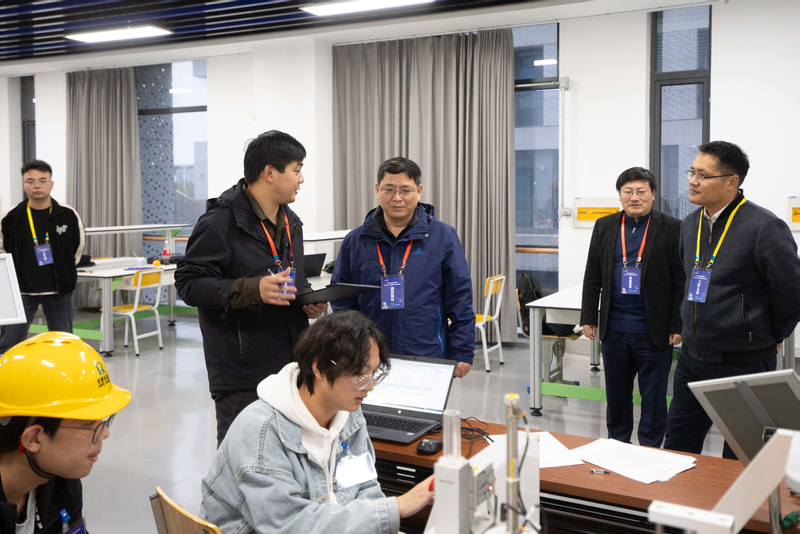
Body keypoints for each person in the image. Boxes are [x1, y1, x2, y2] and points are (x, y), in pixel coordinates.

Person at [200, 310, 435, 534]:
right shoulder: (261, 430)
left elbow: (365, 488)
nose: (370, 386)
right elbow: (290, 525)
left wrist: (380, 519)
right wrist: (395, 509)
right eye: (360, 375)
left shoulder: (350, 417)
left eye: (374, 374)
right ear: (319, 367)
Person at [175, 130, 328, 447]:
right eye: (297, 170)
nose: (301, 179)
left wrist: (306, 299)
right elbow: (189, 284)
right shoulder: (219, 223)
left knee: (289, 456)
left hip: (291, 365)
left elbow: (291, 277)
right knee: (243, 457)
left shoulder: (291, 222)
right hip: (242, 373)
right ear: (270, 173)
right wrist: (253, 289)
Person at [663, 141, 800, 458]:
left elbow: (791, 291)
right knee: (677, 450)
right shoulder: (690, 224)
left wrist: (772, 334)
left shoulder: (763, 227)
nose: (692, 181)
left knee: (742, 455)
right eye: (691, 172)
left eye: (703, 175)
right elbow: (687, 279)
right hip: (692, 359)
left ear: (731, 181)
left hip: (744, 362)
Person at [331, 157, 475, 378]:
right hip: (369, 357)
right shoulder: (355, 241)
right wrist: (352, 347)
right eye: (389, 189)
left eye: (405, 190)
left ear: (419, 191)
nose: (397, 197)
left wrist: (462, 350)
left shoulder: (443, 237)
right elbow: (342, 301)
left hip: (427, 352)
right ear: (377, 190)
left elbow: (460, 298)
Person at [580, 167, 684, 448]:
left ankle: (650, 449)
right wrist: (589, 315)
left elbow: (680, 281)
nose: (634, 197)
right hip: (614, 329)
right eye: (628, 191)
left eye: (641, 191)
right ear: (620, 195)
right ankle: (617, 445)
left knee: (653, 397)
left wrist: (677, 324)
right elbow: (592, 274)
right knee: (616, 396)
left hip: (654, 331)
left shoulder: (672, 227)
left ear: (653, 194)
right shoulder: (604, 225)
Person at [0, 331, 131, 533]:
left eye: (104, 421)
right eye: (89, 424)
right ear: (33, 439)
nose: (105, 433)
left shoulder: (61, 480)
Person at [0, 160, 85, 354]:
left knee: (64, 344)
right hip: (20, 292)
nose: (37, 185)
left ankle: (62, 373)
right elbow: (2, 251)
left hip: (59, 291)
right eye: (30, 181)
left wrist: (64, 271)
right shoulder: (11, 217)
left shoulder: (67, 214)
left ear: (51, 184)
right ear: (24, 185)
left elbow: (78, 247)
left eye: (42, 180)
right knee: (8, 344)